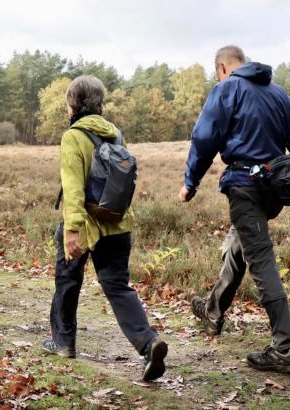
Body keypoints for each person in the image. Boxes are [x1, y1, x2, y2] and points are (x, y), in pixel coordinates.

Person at [178, 46, 290, 373]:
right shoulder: (279, 94)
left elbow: (205, 138)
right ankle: (213, 311)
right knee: (240, 247)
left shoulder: (226, 88)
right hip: (275, 190)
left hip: (245, 189)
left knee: (260, 260)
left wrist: (190, 182)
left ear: (221, 68)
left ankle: (285, 347)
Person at [43, 75, 168, 382]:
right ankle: (148, 342)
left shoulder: (73, 136)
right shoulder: (115, 134)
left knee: (68, 280)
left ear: (73, 103)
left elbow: (73, 188)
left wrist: (72, 230)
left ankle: (63, 342)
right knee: (117, 286)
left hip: (85, 224)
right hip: (118, 222)